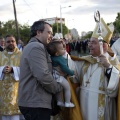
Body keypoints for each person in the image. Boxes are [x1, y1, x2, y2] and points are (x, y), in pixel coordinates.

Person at [71, 18, 120, 120]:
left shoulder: (112, 62)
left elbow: (115, 88)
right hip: (84, 103)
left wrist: (108, 67)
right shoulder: (86, 60)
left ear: (105, 46)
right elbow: (73, 72)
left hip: (103, 104)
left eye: (93, 42)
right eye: (89, 42)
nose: (89, 45)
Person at [18, 20, 63, 120]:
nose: (51, 36)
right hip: (35, 103)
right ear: (38, 32)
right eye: (49, 32)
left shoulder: (35, 46)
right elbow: (43, 75)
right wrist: (58, 88)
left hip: (35, 102)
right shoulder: (36, 47)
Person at [47, 40, 75, 107]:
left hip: (53, 76)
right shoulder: (60, 58)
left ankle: (59, 101)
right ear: (57, 53)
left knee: (59, 89)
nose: (64, 49)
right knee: (67, 88)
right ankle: (67, 102)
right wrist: (72, 72)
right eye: (62, 49)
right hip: (60, 77)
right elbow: (65, 68)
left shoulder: (51, 57)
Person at [0, 35, 22, 120]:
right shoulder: (0, 55)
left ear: (15, 42)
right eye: (8, 41)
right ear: (4, 43)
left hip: (17, 90)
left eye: (13, 41)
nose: (11, 43)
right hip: (2, 91)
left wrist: (13, 69)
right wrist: (2, 69)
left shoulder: (21, 55)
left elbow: (26, 70)